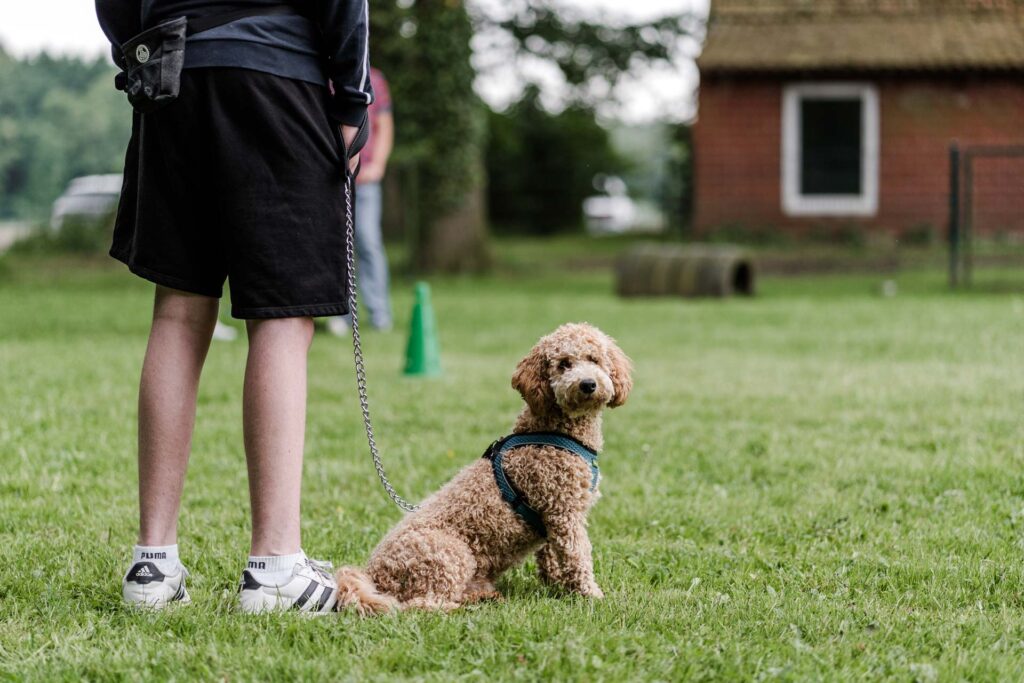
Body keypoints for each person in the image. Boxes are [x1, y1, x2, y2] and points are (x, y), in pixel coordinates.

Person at [95, 0, 372, 613]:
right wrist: (353, 98)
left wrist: (144, 47)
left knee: (177, 310)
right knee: (280, 318)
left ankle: (152, 566)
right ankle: (275, 567)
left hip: (171, 75)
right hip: (277, 79)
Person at [327, 67, 394, 336]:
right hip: (331, 178)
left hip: (365, 178)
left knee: (367, 241)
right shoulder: (322, 76)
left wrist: (377, 164)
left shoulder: (375, 78)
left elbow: (385, 126)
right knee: (336, 245)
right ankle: (339, 315)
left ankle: (379, 314)